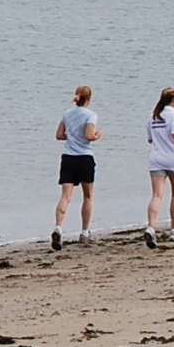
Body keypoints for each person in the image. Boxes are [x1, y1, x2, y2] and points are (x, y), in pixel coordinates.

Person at [51, 84, 100, 251]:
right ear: (89, 99)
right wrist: (96, 136)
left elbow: (58, 135)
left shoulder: (67, 113)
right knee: (87, 196)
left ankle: (58, 227)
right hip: (84, 158)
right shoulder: (91, 115)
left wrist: (71, 136)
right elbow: (88, 136)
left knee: (65, 196)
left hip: (68, 158)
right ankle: (85, 232)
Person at [143, 88, 174, 248]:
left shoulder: (153, 117)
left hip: (157, 159)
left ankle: (151, 226)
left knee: (157, 195)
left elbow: (150, 140)